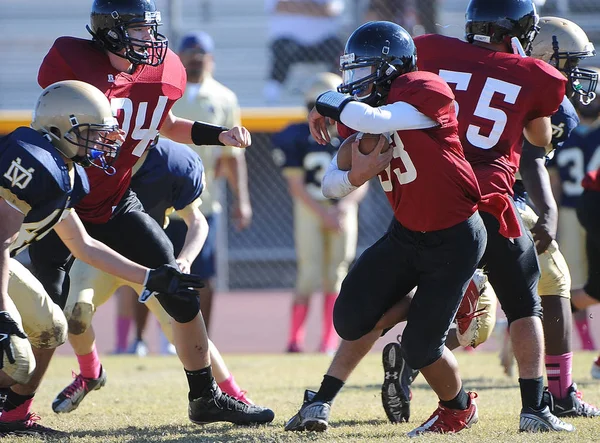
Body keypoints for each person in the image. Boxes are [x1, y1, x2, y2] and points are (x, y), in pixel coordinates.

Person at [286, 0, 576, 434]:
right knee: (523, 303)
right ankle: (537, 406)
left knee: (405, 312)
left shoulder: (429, 53)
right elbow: (538, 138)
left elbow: (373, 100)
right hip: (491, 201)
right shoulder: (534, 74)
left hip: (434, 199)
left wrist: (331, 103)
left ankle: (327, 396)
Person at [30, 0, 273, 427]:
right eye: (140, 29)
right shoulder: (72, 64)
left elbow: (163, 122)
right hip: (64, 199)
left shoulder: (161, 72)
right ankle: (14, 406)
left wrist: (220, 135)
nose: (151, 39)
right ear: (111, 30)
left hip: (115, 202)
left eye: (151, 29)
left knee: (178, 289)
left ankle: (207, 397)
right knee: (48, 312)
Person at [390, 15, 600, 420]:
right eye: (569, 63)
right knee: (552, 281)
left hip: (446, 198)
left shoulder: (455, 64)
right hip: (499, 202)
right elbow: (535, 160)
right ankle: (557, 393)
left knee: (478, 322)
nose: (574, 74)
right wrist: (549, 212)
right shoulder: (530, 82)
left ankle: (412, 358)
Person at [286, 21, 488, 437]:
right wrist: (354, 177)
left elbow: (374, 120)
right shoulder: (366, 109)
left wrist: (325, 99)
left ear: (390, 68)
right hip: (407, 232)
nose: (353, 81)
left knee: (420, 347)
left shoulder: (423, 89)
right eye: (350, 71)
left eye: (362, 70)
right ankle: (455, 297)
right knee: (351, 316)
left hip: (455, 237)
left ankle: (458, 409)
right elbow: (328, 184)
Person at [0, 80, 204, 436]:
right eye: (91, 132)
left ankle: (12, 418)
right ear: (57, 127)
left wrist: (149, 278)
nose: (104, 141)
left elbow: (83, 247)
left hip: (6, 263)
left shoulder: (64, 174)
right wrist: (2, 313)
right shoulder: (31, 163)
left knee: (51, 329)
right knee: (17, 359)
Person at [69, 136, 254, 407]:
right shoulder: (95, 155)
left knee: (185, 324)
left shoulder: (172, 161)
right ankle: (90, 372)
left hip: (150, 261)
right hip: (102, 256)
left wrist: (185, 259)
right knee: (72, 313)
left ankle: (235, 396)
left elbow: (197, 222)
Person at [272, 72, 367, 354]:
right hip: (310, 208)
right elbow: (296, 185)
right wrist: (325, 213)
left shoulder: (354, 135)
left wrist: (343, 207)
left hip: (342, 208)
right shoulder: (296, 136)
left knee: (336, 274)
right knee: (309, 273)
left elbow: (363, 179)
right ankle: (295, 338)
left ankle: (328, 339)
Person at [170, 31, 252, 333]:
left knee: (203, 273)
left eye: (200, 54)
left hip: (204, 201)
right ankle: (143, 338)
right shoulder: (168, 93)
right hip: (162, 199)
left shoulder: (224, 97)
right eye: (189, 54)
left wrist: (242, 200)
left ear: (211, 59)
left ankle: (201, 334)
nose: (195, 59)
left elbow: (233, 155)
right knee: (155, 268)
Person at [550, 71, 600, 355]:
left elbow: (553, 182)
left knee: (572, 283)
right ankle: (585, 344)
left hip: (569, 210)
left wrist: (551, 216)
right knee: (575, 284)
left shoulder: (563, 128)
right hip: (586, 208)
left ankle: (583, 342)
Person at [263, 0, 345, 103]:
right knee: (282, 51)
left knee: (339, 51)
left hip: (323, 42)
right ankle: (271, 98)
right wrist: (315, 8)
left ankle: (336, 91)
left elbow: (330, 10)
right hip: (288, 41)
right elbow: (280, 6)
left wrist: (296, 6)